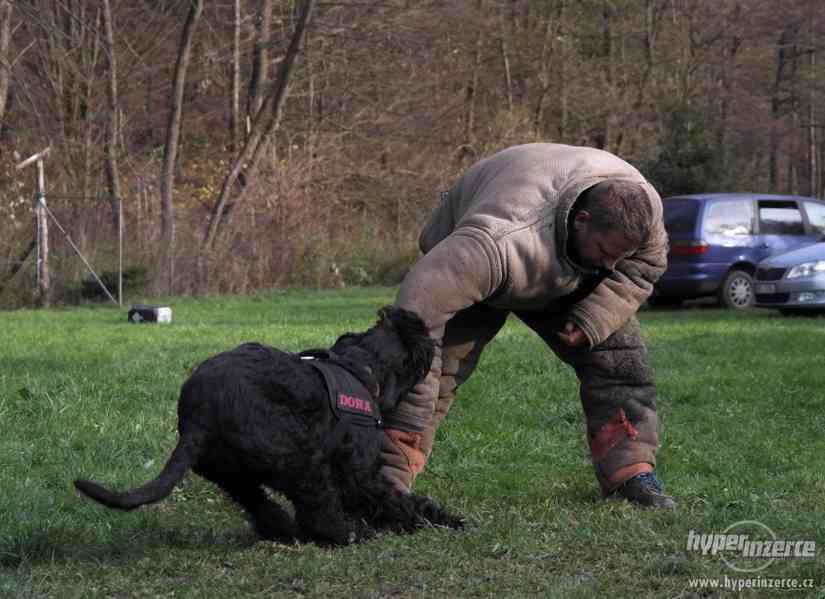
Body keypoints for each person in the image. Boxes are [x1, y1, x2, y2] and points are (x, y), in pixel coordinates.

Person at [379, 142, 675, 508]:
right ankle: (384, 480)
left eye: (620, 255)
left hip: (569, 271)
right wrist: (410, 413)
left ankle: (631, 472)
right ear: (582, 221)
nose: (612, 266)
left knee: (620, 365)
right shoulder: (492, 244)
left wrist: (593, 318)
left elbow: (642, 268)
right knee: (431, 373)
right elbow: (412, 326)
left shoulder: (644, 215)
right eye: (605, 251)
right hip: (491, 265)